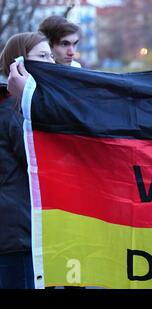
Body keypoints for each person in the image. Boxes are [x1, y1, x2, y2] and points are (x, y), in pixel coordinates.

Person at [0, 32, 54, 289]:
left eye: (50, 56)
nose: (51, 63)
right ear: (18, 63)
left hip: (18, 229)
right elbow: (39, 157)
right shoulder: (12, 107)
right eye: (43, 56)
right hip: (16, 232)